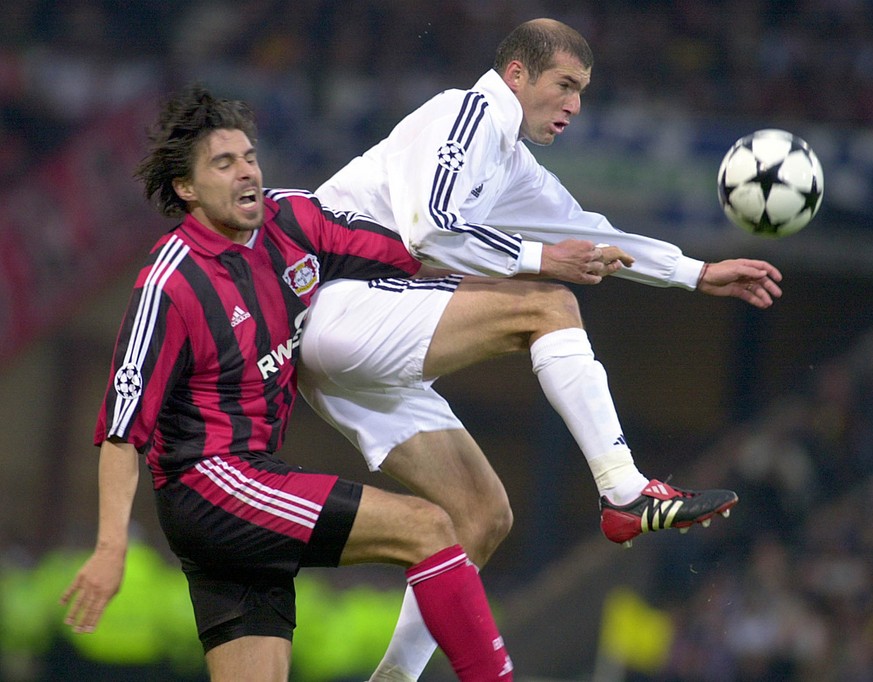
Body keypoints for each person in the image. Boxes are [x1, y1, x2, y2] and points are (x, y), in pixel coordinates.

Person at [301, 17, 784, 682]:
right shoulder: (465, 113)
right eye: (564, 85)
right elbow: (428, 231)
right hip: (337, 304)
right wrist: (538, 258)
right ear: (517, 75)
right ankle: (622, 492)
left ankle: (393, 679)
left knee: (480, 516)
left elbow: (589, 234)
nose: (575, 105)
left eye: (582, 90)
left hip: (364, 338)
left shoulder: (510, 161)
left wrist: (696, 274)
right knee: (546, 302)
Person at [58, 85, 515, 682]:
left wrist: (528, 261)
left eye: (249, 156)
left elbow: (406, 255)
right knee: (428, 528)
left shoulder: (290, 220)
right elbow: (122, 429)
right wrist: (111, 547)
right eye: (224, 163)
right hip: (215, 483)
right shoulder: (170, 283)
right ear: (187, 189)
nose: (246, 170)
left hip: (243, 497)